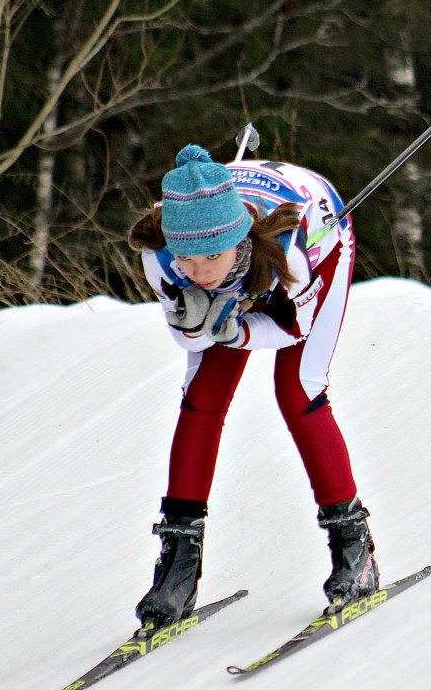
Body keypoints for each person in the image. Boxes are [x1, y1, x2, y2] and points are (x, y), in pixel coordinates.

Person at [127, 144, 377, 631]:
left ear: (237, 238)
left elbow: (293, 329)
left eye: (212, 257)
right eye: (188, 259)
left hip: (314, 241)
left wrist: (236, 331)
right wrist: (197, 322)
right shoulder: (160, 252)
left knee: (299, 394)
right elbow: (184, 334)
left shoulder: (290, 251)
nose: (199, 272)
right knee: (202, 399)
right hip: (241, 230)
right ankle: (178, 567)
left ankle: (355, 551)